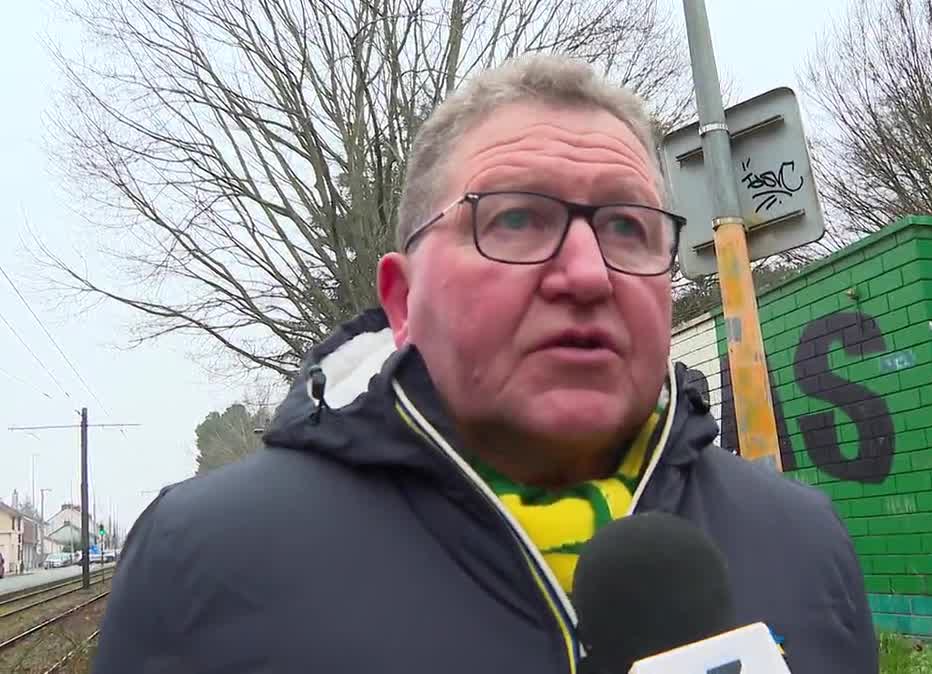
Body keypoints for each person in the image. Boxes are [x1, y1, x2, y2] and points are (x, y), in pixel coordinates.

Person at [93, 53, 877, 673]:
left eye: (629, 228)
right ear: (401, 301)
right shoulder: (204, 558)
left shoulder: (806, 543)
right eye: (513, 219)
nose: (587, 273)